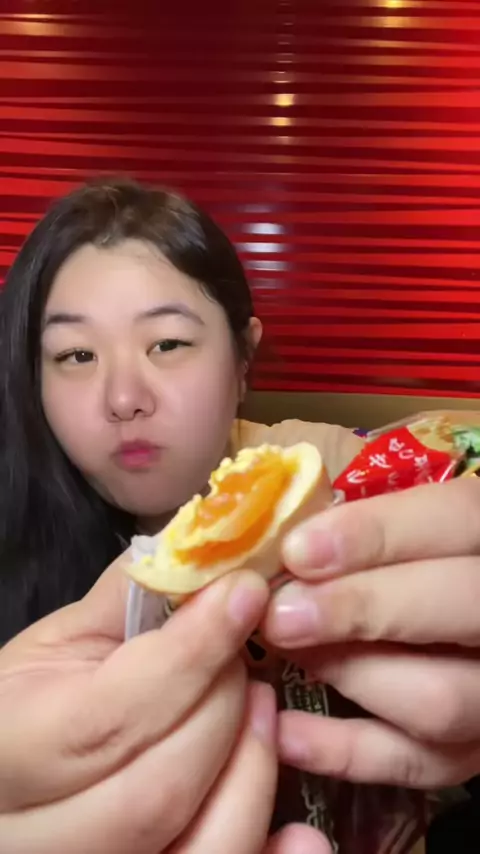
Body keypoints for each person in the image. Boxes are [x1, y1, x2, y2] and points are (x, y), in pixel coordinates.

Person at [0, 177, 478, 851]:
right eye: (76, 355)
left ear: (243, 356)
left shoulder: (329, 476)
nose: (123, 396)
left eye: (168, 344)